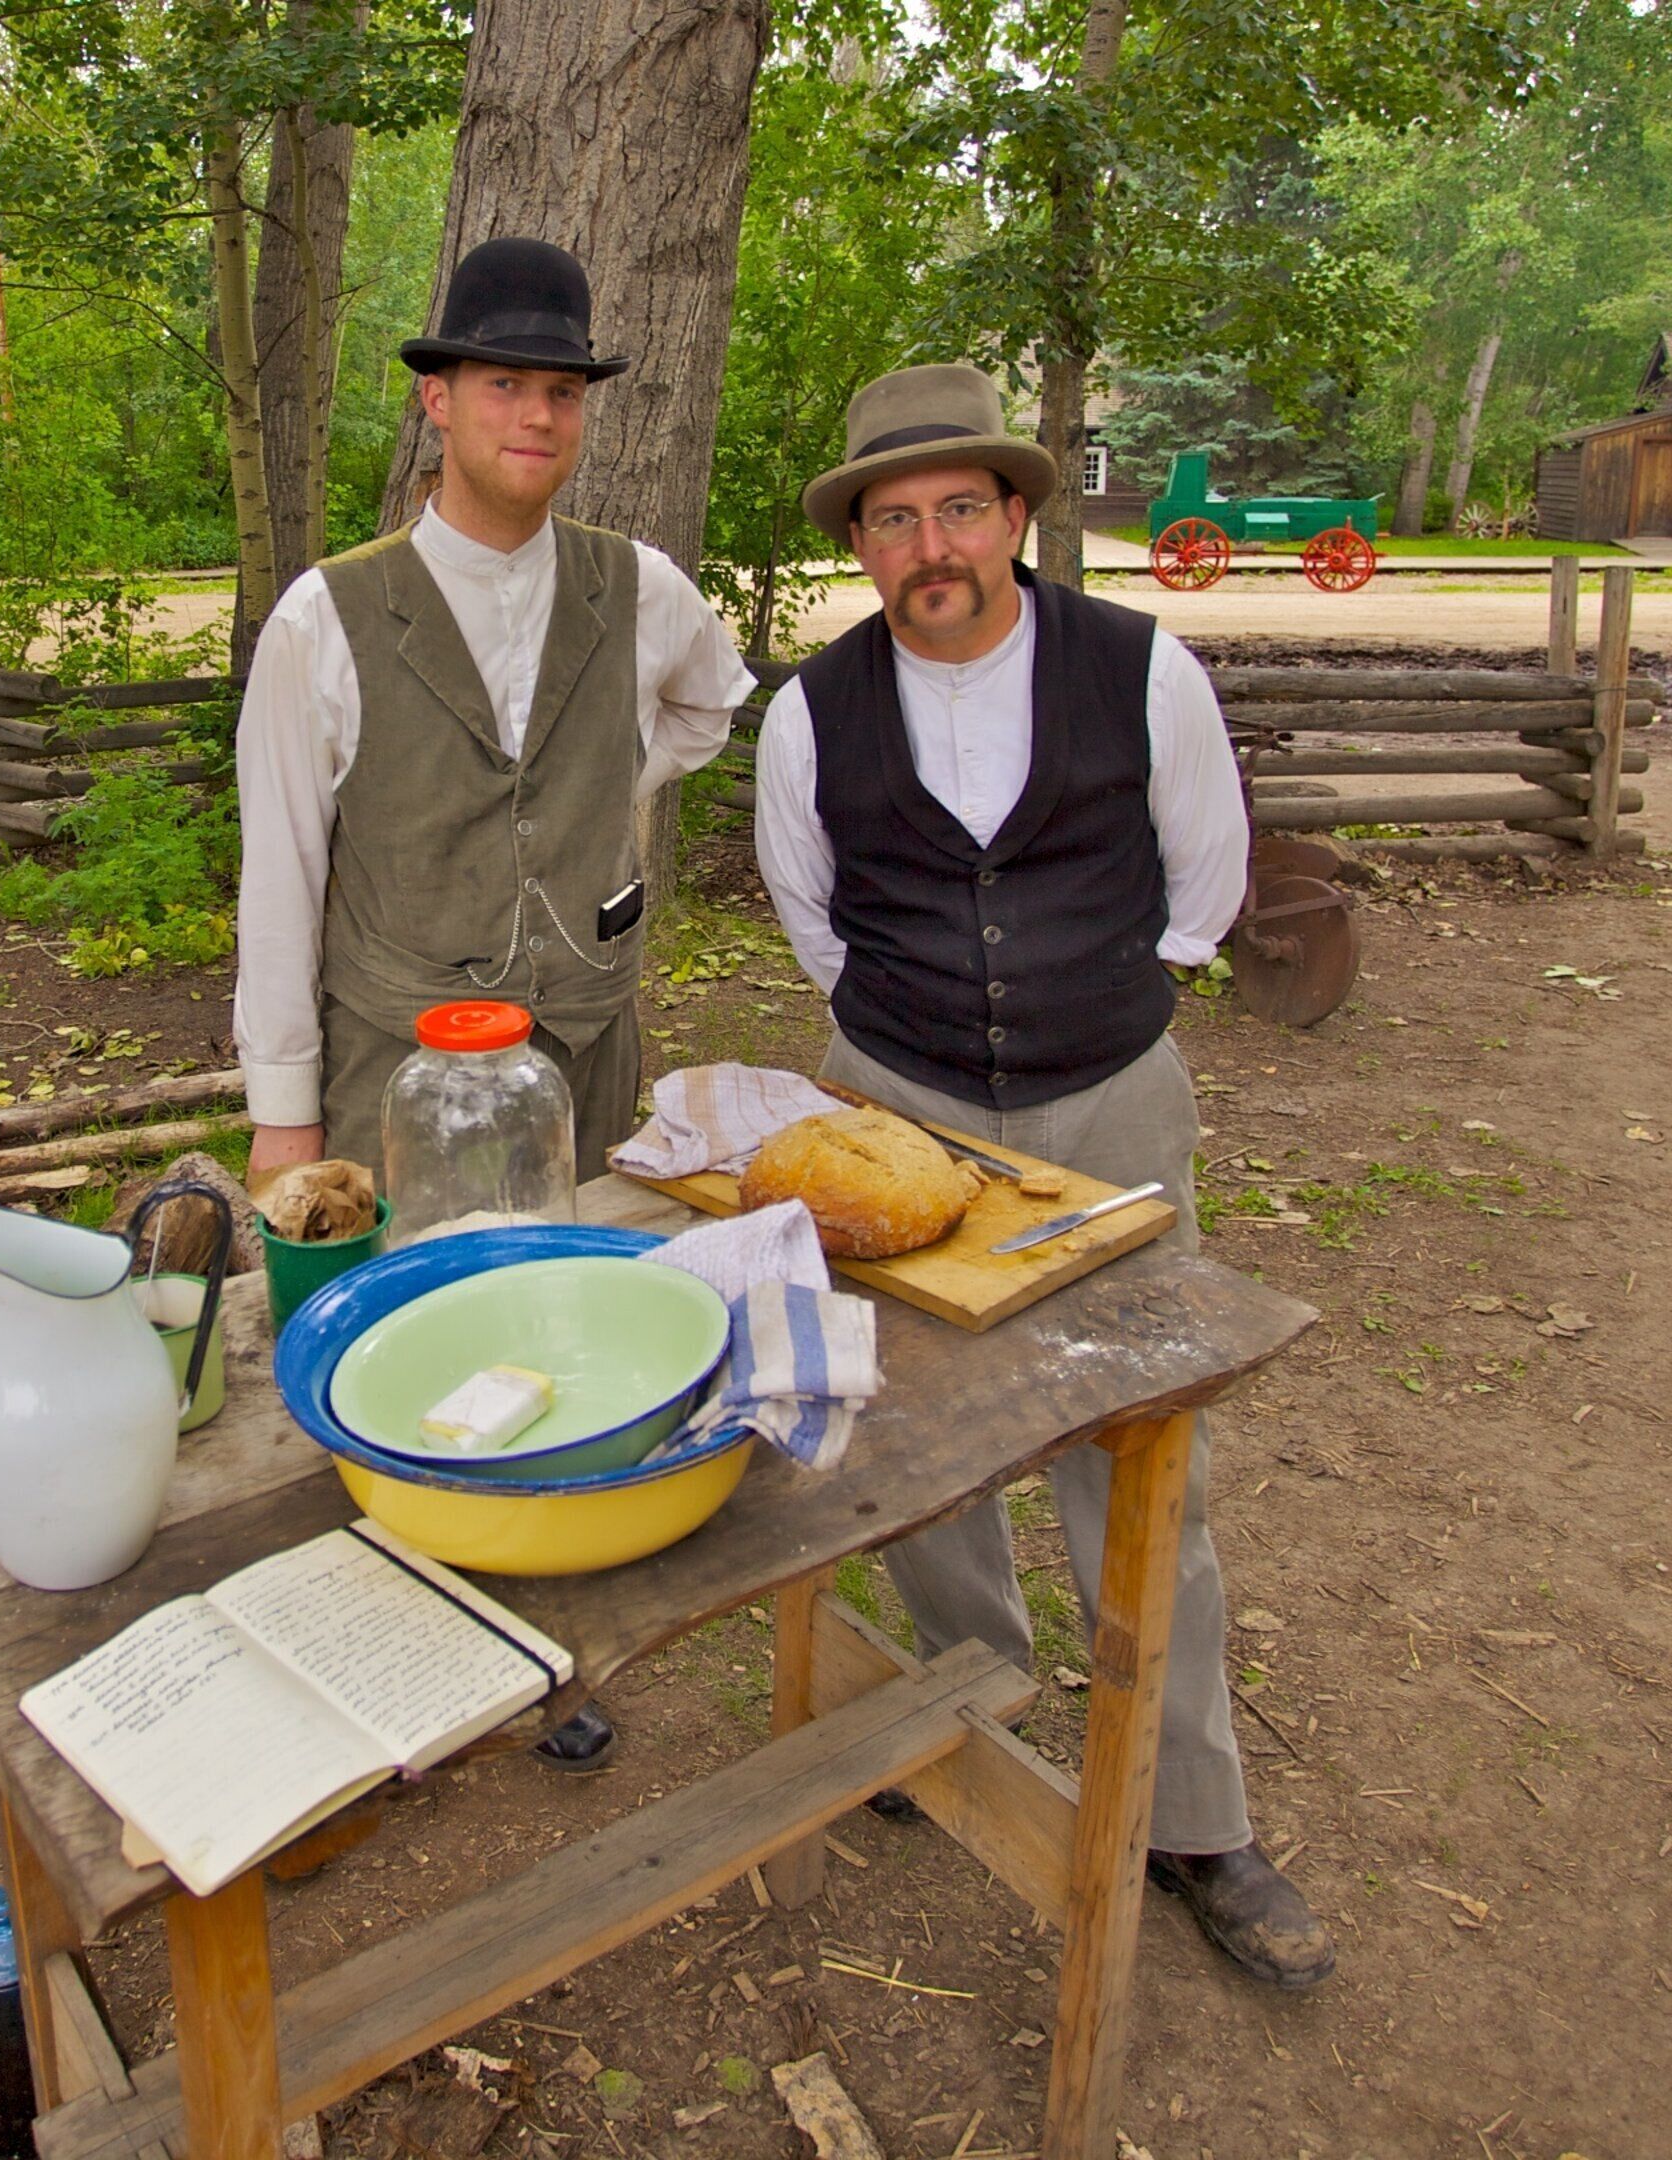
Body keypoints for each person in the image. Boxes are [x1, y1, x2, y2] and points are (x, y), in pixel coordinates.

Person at [749, 363, 1332, 1990]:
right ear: (861, 544)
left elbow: (1201, 878)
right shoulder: (811, 710)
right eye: (892, 517)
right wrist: (911, 1052)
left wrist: (1100, 1003)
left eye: (957, 507)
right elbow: (817, 914)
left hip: (1111, 1110)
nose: (928, 542)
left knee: (1147, 1457)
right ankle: (965, 1703)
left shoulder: (1143, 669)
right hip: (904, 1101)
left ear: (1015, 514)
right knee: (919, 1446)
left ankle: (1196, 1814)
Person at [235, 236, 756, 1770]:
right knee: (400, 1355)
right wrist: (283, 1122)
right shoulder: (330, 619)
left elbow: (710, 711)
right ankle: (400, 1652)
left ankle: (557, 1646)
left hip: (580, 1044)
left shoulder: (638, 587)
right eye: (504, 385)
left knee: (566, 1326)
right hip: (396, 1057)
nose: (537, 415)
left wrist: (615, 795)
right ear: (442, 406)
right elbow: (281, 873)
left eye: (561, 391)